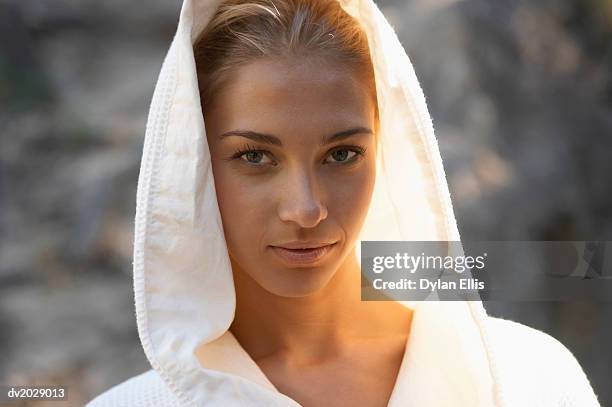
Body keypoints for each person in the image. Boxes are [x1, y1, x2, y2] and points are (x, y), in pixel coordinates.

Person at [85, 0, 602, 405]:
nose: (306, 209)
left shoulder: (527, 376)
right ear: (192, 165)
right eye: (255, 157)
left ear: (386, 150)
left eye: (342, 154)